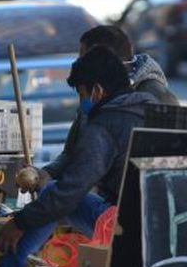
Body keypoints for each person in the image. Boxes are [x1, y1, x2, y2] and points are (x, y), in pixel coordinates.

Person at [0, 46, 156, 267]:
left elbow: (69, 193)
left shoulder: (104, 126)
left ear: (96, 90)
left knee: (53, 194)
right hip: (152, 223)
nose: (81, 101)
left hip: (122, 225)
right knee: (53, 200)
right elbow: (74, 166)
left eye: (82, 94)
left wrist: (20, 222)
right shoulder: (146, 109)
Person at [30, 24, 177, 188]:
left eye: (84, 60)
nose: (80, 66)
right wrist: (48, 173)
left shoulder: (156, 99)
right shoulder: (94, 92)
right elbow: (73, 151)